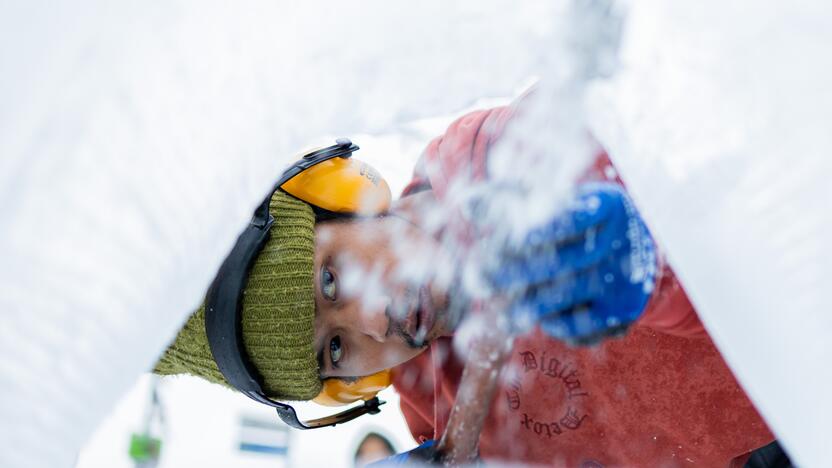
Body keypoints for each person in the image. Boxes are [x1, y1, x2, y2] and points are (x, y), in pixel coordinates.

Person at [154, 98, 784, 466]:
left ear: (343, 202)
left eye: (331, 280)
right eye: (336, 349)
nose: (374, 322)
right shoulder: (442, 423)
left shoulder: (491, 165)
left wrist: (658, 256)